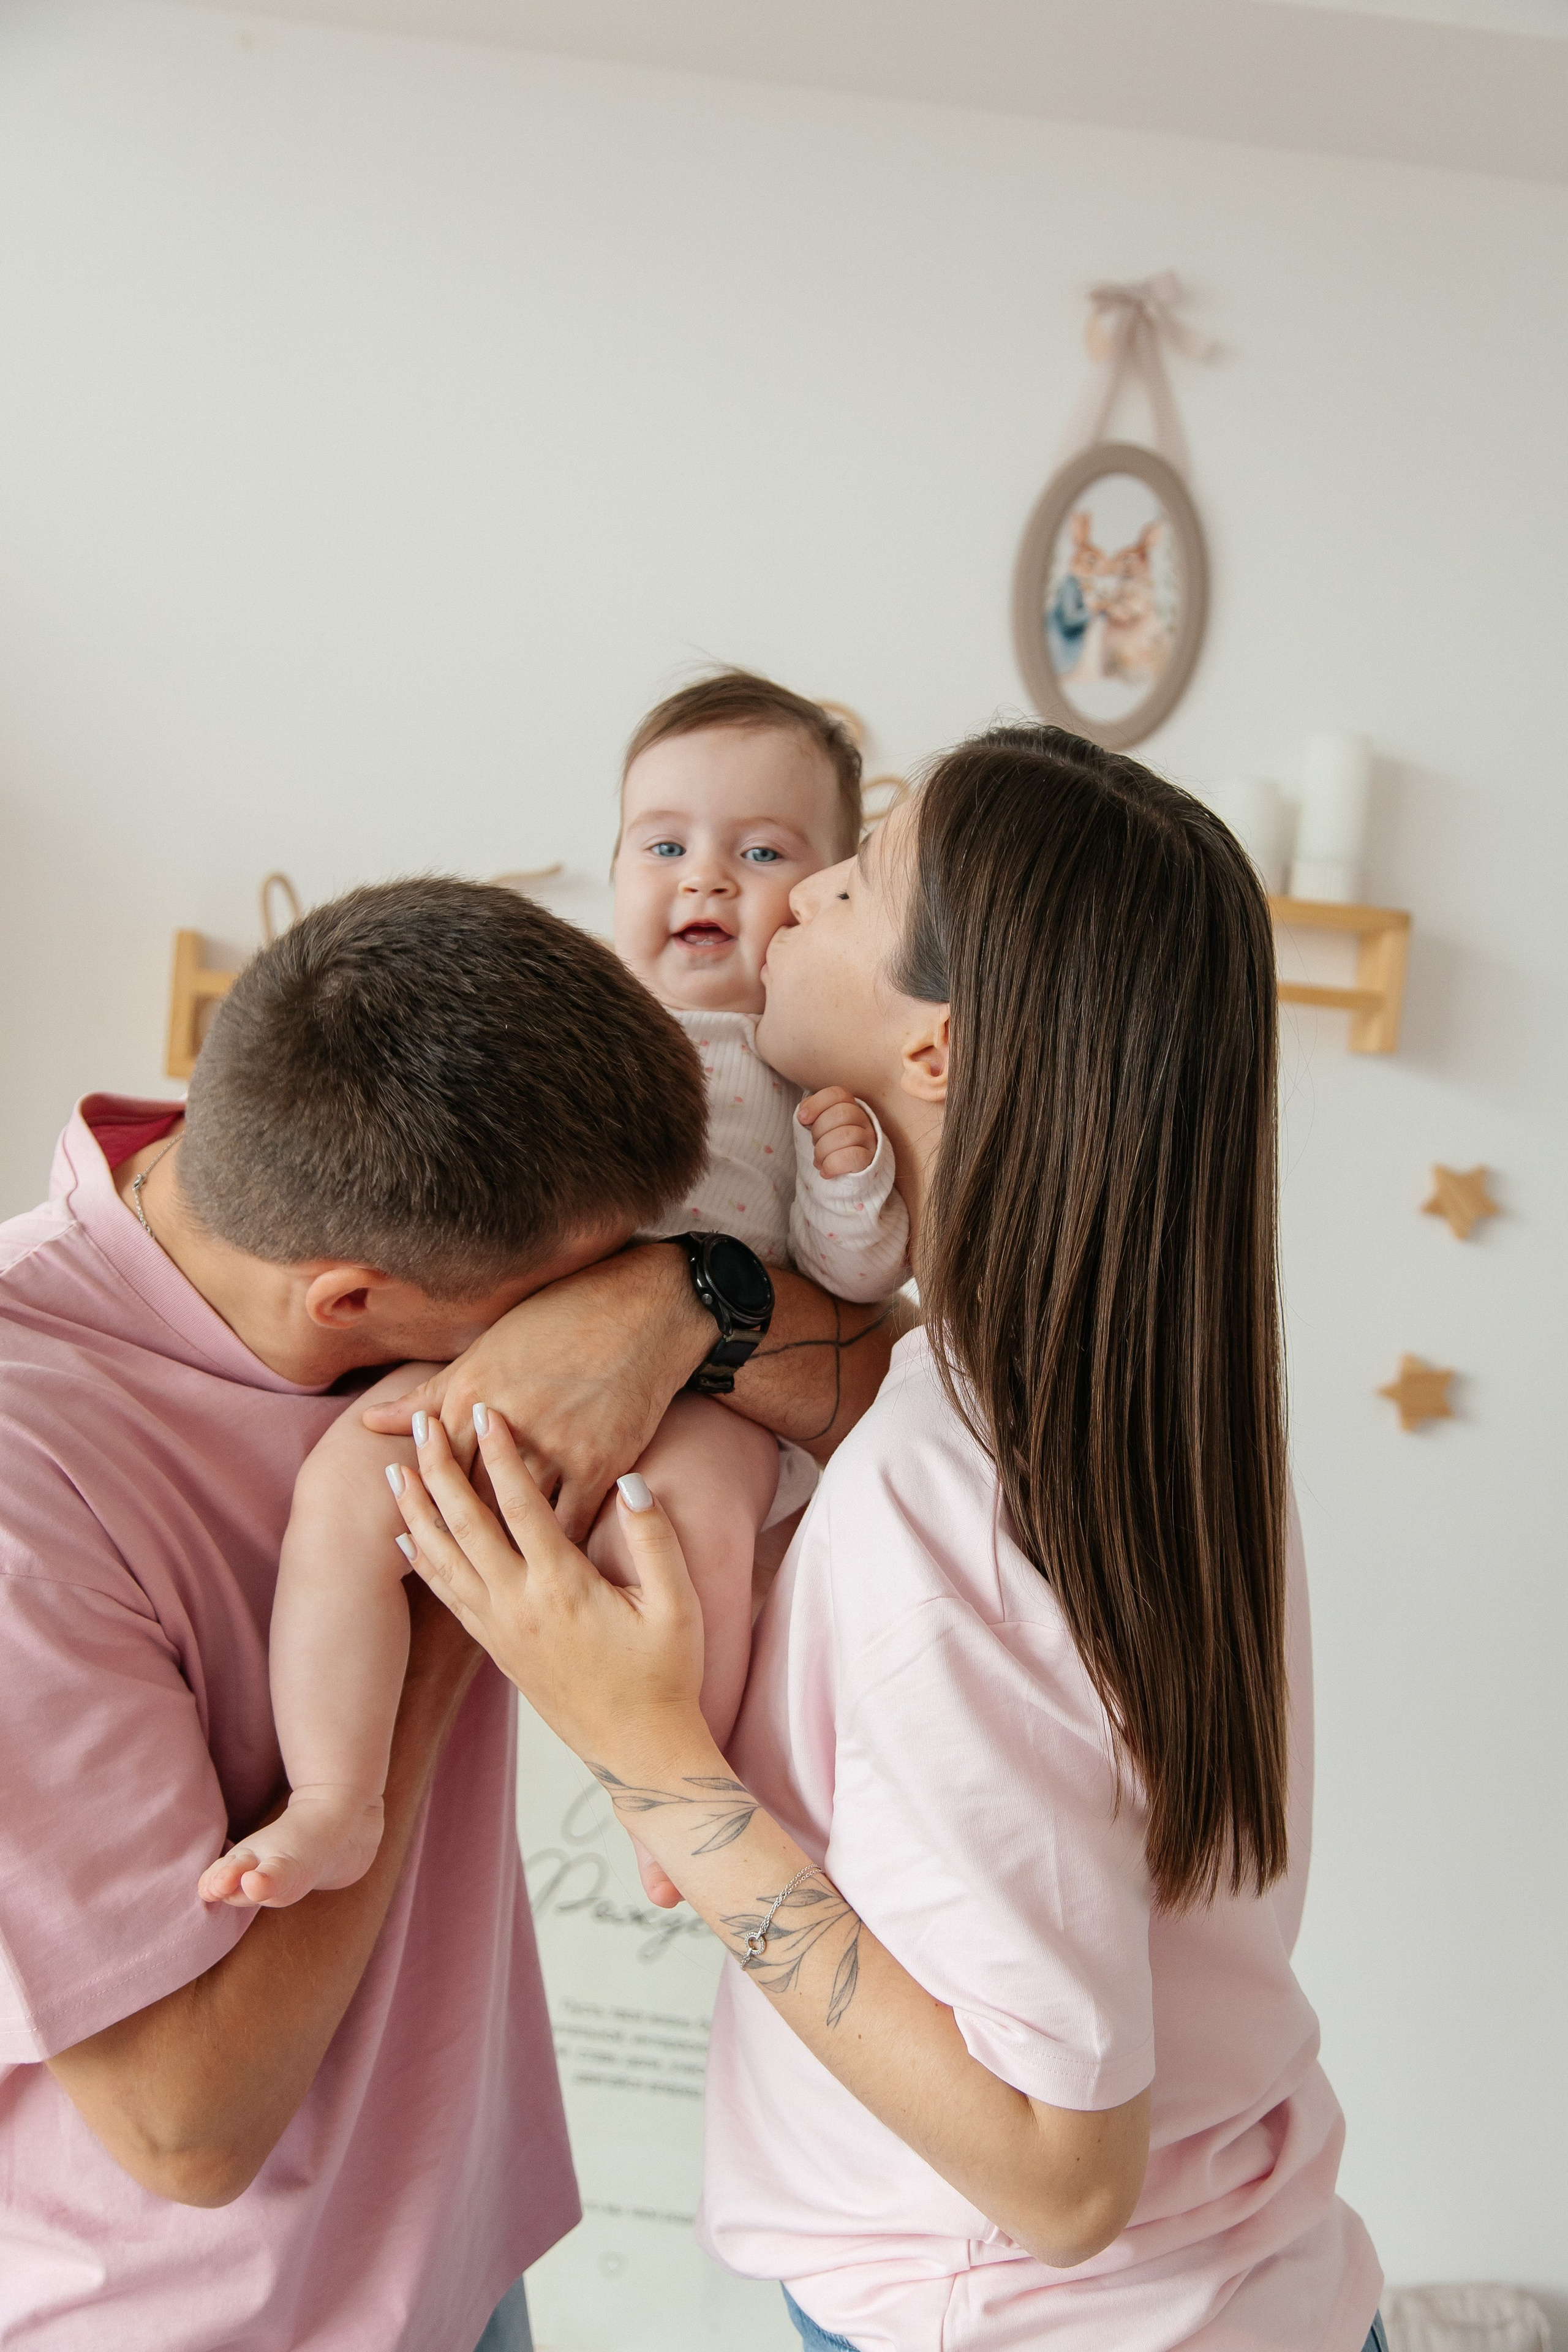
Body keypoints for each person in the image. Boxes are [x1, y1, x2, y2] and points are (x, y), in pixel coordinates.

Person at [382, 730, 1388, 2352]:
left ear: (934, 1050)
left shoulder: (943, 1497)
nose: (794, 896)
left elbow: (1064, 2178)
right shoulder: (1153, 1409)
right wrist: (679, 1294)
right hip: (1262, 2288)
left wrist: (648, 1761)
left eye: (852, 878)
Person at [0, 873, 894, 2352]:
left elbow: (884, 1389)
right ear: (352, 1306)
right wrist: (447, 1581)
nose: (560, 1340)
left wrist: (680, 1300)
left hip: (461, 2259)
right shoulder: (31, 1494)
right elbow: (187, 2132)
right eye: (547, 1302)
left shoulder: (367, 1157)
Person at [225, 670, 910, 1916]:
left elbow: (854, 1284)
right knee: (341, 1490)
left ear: (818, 899)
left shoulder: (802, 1059)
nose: (703, 878)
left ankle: (675, 1810)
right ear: (613, 871)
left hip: (716, 1399)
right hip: (506, 1350)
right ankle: (335, 1795)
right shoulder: (576, 1018)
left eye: (759, 851)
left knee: (684, 1528)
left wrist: (855, 1185)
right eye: (664, 844)